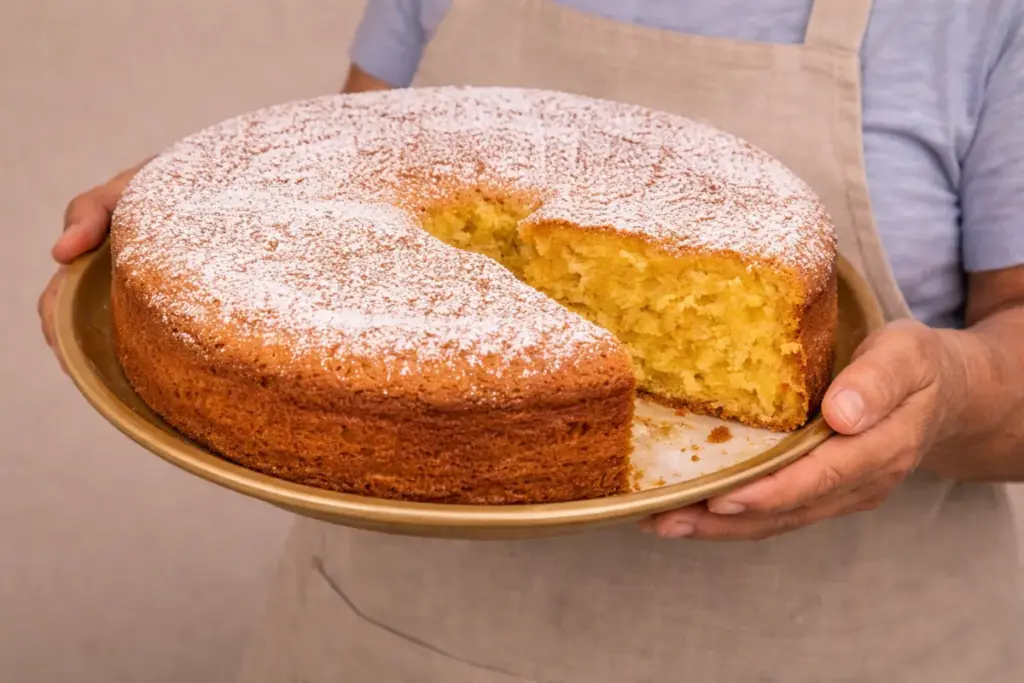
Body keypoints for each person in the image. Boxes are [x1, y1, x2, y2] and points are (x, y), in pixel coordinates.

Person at [39, 0, 1024, 680]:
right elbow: (344, 162)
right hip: (399, 641)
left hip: (841, 648)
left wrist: (954, 388)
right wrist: (216, 203)